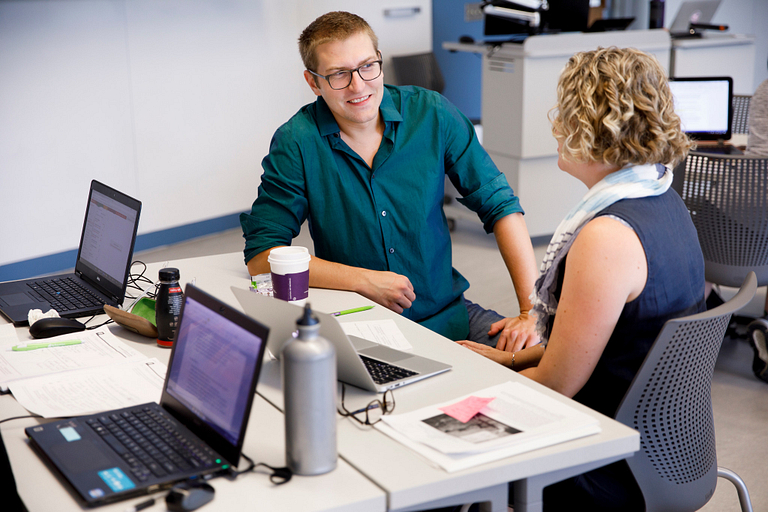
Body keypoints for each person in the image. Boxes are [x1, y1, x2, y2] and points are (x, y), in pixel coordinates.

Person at [458, 47, 704, 510]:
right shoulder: (661, 198)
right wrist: (504, 360)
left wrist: (465, 386)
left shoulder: (606, 237)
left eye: (564, 113)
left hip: (605, 461)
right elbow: (598, 344)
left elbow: (555, 385)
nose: (555, 127)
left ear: (591, 126)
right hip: (664, 446)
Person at [240, 11, 540, 349]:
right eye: (339, 74)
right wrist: (362, 281)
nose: (359, 86)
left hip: (446, 315)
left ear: (379, 60)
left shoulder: (432, 114)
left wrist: (531, 310)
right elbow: (262, 257)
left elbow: (500, 207)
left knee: (548, 360)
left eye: (368, 66)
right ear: (314, 82)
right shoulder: (297, 142)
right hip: (362, 330)